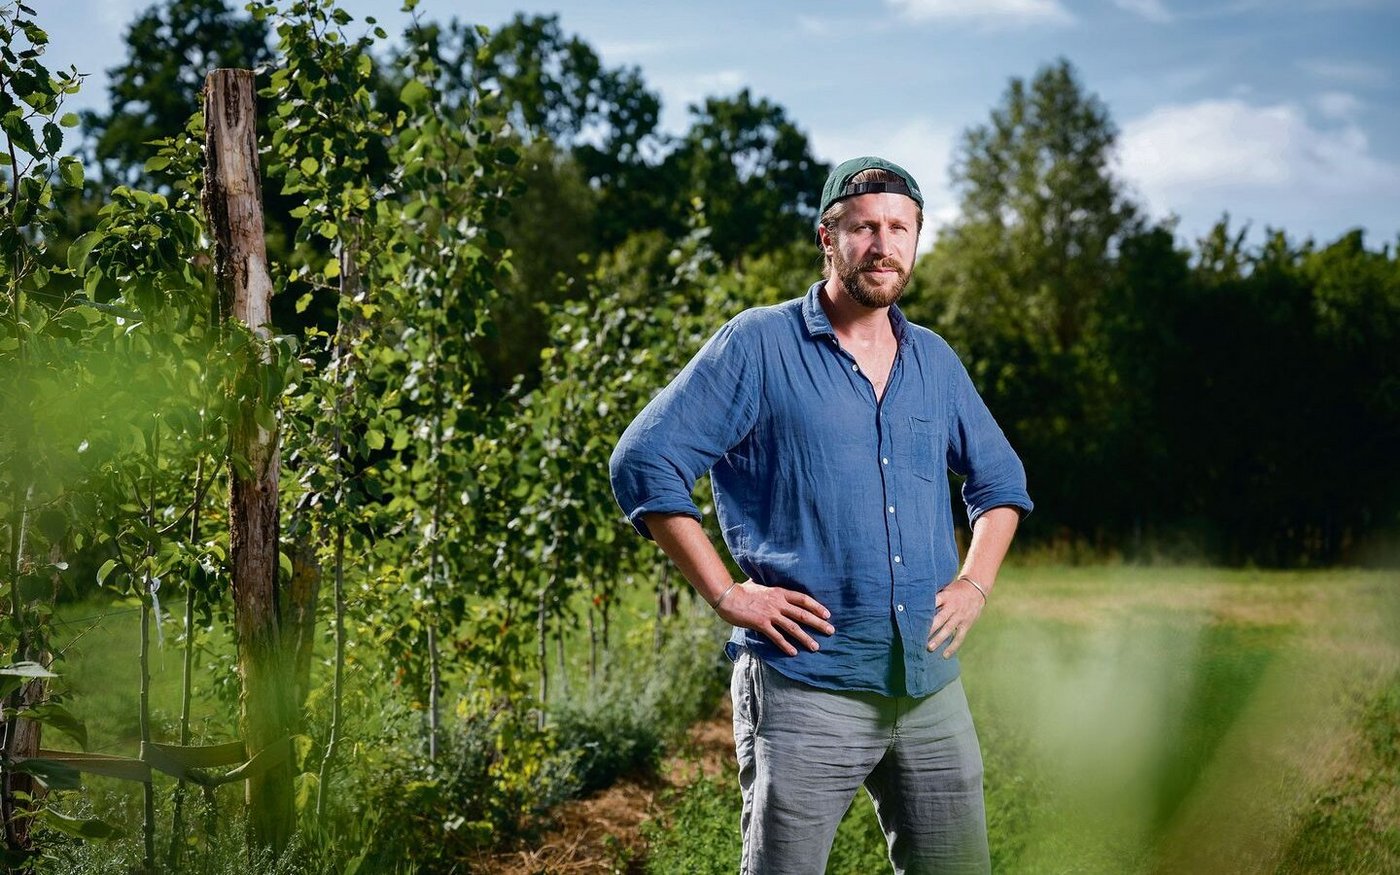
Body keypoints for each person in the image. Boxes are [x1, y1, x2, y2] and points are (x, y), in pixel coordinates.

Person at [609, 156, 1032, 874]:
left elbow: (1001, 481)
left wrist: (974, 583)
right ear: (827, 238)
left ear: (917, 238)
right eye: (863, 227)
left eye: (900, 227)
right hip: (808, 686)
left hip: (928, 691)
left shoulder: (933, 359)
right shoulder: (758, 345)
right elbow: (644, 461)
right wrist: (726, 592)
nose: (883, 244)